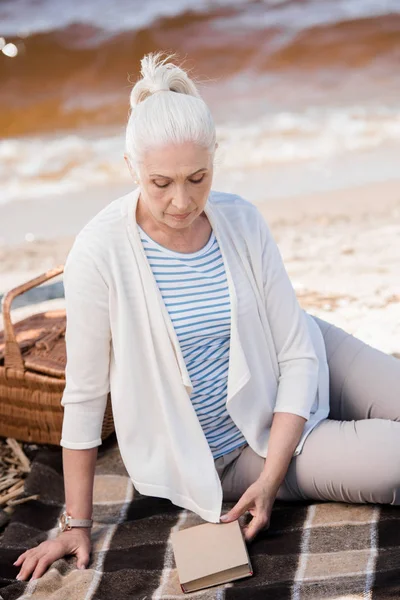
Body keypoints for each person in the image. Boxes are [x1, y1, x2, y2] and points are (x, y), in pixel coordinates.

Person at [14, 52, 400, 583]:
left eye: (198, 178)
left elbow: (297, 351)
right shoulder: (99, 253)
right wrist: (76, 524)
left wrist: (278, 469)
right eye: (161, 183)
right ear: (131, 169)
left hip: (308, 356)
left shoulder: (241, 219)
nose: (182, 201)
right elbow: (83, 396)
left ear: (214, 159)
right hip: (243, 444)